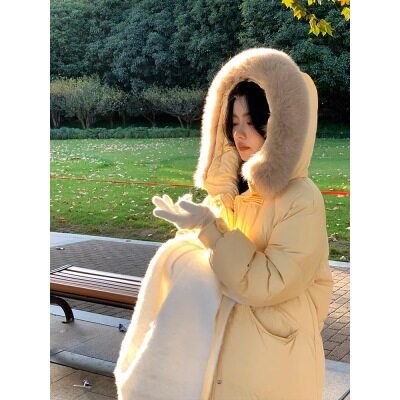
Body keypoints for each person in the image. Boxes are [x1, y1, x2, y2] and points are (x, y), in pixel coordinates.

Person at [115, 48, 333, 400]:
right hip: (225, 355)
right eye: (233, 122)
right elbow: (212, 257)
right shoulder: (231, 190)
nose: (240, 133)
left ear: (284, 125)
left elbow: (266, 282)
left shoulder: (301, 198)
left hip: (276, 360)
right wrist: (189, 233)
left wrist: (210, 230)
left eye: (253, 121)